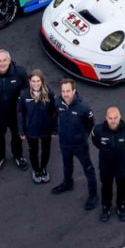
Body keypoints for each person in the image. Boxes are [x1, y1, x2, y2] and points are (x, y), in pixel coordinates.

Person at [0, 49, 31, 172]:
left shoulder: (20, 72)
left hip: (15, 113)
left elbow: (26, 89)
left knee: (17, 135)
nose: (2, 63)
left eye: (4, 60)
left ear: (9, 60)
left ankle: (18, 156)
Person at [52, 79, 98, 210]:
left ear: (74, 91)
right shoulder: (58, 102)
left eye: (68, 91)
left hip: (80, 145)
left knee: (88, 170)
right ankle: (67, 183)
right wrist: (56, 130)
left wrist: (82, 136)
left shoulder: (83, 107)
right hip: (64, 143)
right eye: (63, 91)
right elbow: (54, 115)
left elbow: (90, 124)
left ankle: (93, 196)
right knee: (67, 165)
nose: (65, 94)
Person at [93, 107, 125, 223]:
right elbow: (95, 141)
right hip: (105, 167)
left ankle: (121, 207)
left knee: (122, 188)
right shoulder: (98, 130)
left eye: (115, 118)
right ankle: (106, 207)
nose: (113, 121)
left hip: (122, 168)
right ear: (106, 118)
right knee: (106, 188)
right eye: (110, 118)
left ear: (120, 117)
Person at [19, 70, 58, 183]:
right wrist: (21, 131)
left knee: (46, 150)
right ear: (29, 82)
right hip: (31, 130)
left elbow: (54, 113)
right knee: (33, 151)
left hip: (46, 129)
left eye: (38, 81)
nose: (36, 84)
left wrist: (54, 130)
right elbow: (21, 113)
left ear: (42, 81)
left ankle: (43, 168)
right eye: (33, 81)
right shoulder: (24, 94)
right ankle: (36, 170)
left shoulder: (49, 93)